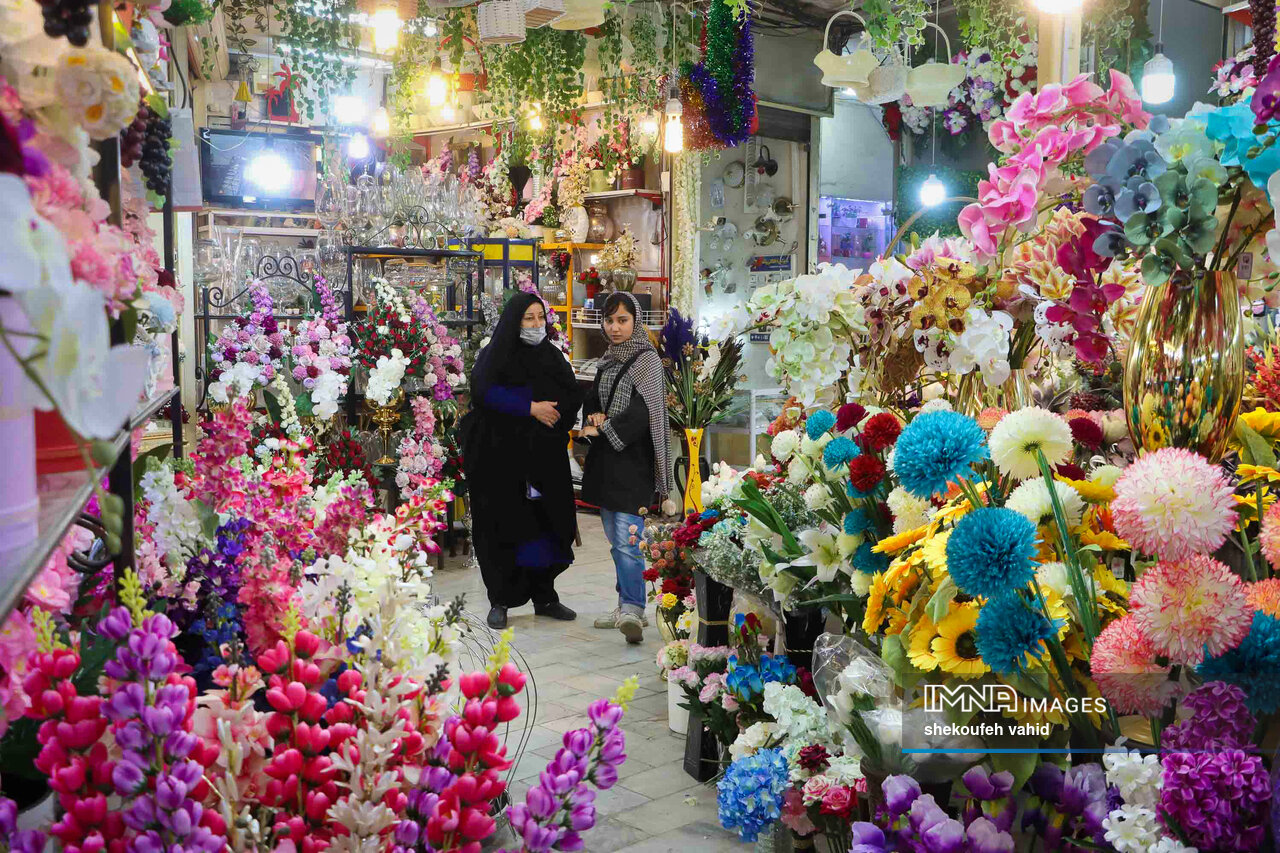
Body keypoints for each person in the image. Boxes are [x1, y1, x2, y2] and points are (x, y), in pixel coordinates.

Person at [460, 291, 582, 629]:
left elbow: (570, 393)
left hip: (544, 461)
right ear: (515, 320)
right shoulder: (495, 355)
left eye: (540, 317)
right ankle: (500, 599)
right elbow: (484, 391)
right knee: (503, 527)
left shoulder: (552, 356)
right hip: (500, 462)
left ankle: (545, 596)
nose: (536, 324)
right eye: (528, 318)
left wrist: (556, 412)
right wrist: (530, 407)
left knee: (546, 524)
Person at [579, 291, 671, 644]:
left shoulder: (647, 361)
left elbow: (642, 414)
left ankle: (634, 608)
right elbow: (593, 401)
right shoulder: (606, 360)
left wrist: (603, 427)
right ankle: (624, 605)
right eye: (609, 320)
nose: (615, 327)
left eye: (623, 320)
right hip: (606, 466)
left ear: (636, 323)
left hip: (634, 465)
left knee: (628, 541)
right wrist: (594, 415)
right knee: (615, 542)